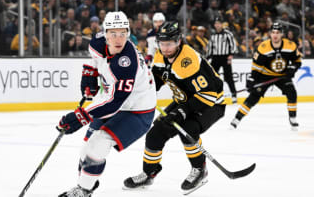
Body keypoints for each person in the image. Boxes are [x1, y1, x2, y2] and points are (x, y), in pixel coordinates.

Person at [57, 11, 157, 197]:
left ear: (128, 33)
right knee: (86, 148)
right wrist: (90, 73)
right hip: (116, 101)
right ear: (105, 33)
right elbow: (95, 58)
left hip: (138, 110)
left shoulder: (126, 64)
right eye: (113, 33)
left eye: (122, 33)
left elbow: (114, 103)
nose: (118, 39)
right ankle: (85, 184)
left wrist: (81, 116)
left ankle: (83, 190)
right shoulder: (96, 42)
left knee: (98, 145)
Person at [123, 21, 226, 195]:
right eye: (162, 44)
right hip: (184, 100)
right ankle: (149, 173)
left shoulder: (189, 60)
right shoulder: (159, 55)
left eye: (169, 44)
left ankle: (200, 170)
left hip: (211, 102)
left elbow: (207, 94)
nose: (165, 48)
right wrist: (139, 91)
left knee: (188, 129)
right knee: (155, 134)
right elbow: (156, 80)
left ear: (178, 41)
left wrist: (181, 112)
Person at [229, 22, 302, 131]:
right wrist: (252, 79)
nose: (275, 35)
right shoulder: (263, 48)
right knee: (253, 97)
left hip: (282, 76)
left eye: (277, 32)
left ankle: (293, 118)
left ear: (282, 34)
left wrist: (293, 68)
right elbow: (256, 67)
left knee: (292, 92)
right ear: (270, 34)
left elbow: (297, 61)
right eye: (273, 32)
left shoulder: (290, 46)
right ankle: (236, 119)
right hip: (265, 75)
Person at [207, 17, 238, 103]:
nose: (217, 25)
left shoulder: (228, 34)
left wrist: (231, 55)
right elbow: (210, 47)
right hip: (216, 57)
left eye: (219, 23)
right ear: (214, 25)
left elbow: (233, 45)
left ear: (222, 24)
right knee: (212, 77)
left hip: (225, 57)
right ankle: (214, 95)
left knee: (228, 77)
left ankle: (234, 95)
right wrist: (208, 57)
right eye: (216, 23)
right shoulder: (213, 35)